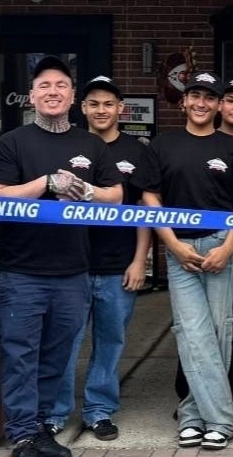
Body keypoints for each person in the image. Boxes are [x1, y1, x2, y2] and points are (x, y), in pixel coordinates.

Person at [0, 56, 123, 457]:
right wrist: (46, 182)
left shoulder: (91, 144)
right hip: (23, 272)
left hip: (73, 272)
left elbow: (115, 197)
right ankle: (22, 435)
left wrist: (88, 192)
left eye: (61, 85)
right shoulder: (12, 142)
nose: (52, 92)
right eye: (44, 85)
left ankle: (43, 427)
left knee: (57, 356)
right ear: (32, 96)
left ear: (72, 97)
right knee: (20, 355)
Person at [132, 71, 233, 450]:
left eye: (209, 97)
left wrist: (228, 247)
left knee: (220, 330)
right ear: (184, 102)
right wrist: (171, 244)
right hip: (180, 248)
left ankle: (193, 415)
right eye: (195, 96)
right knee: (191, 333)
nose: (202, 103)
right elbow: (150, 198)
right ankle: (219, 419)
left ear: (219, 104)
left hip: (221, 245)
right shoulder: (162, 145)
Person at [48, 75, 150, 442]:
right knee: (65, 342)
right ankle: (55, 413)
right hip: (70, 266)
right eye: (94, 103)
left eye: (109, 104)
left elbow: (145, 211)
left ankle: (99, 410)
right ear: (82, 107)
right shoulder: (68, 145)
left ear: (120, 109)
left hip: (117, 265)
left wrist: (140, 261)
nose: (101, 110)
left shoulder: (138, 152)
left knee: (110, 342)